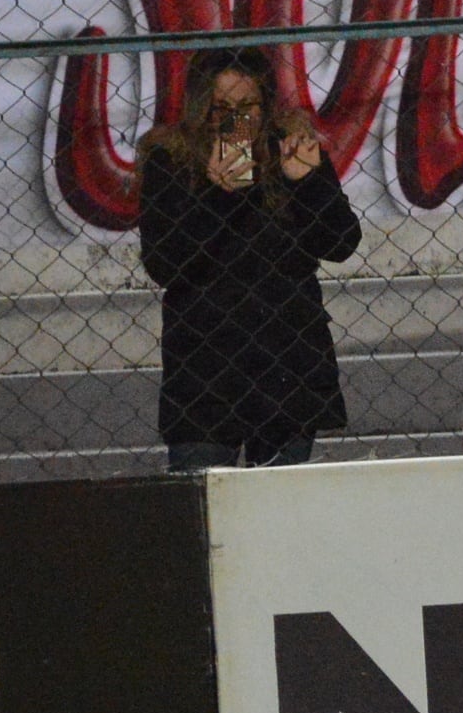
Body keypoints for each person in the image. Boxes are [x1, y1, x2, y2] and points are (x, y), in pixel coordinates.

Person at [137, 50, 361, 472]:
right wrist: (219, 197)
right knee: (204, 499)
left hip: (285, 356)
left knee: (280, 507)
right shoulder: (171, 160)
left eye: (246, 108)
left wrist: (309, 183)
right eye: (220, 108)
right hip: (207, 364)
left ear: (266, 104)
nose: (233, 120)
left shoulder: (290, 148)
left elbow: (340, 242)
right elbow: (166, 263)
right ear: (200, 106)